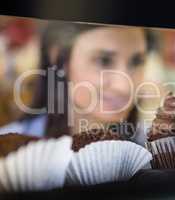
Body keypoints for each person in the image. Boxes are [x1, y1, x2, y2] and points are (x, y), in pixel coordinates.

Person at [0, 22, 150, 145]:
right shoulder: (8, 151)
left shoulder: (153, 147)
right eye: (104, 61)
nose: (123, 86)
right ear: (59, 57)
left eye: (137, 62)